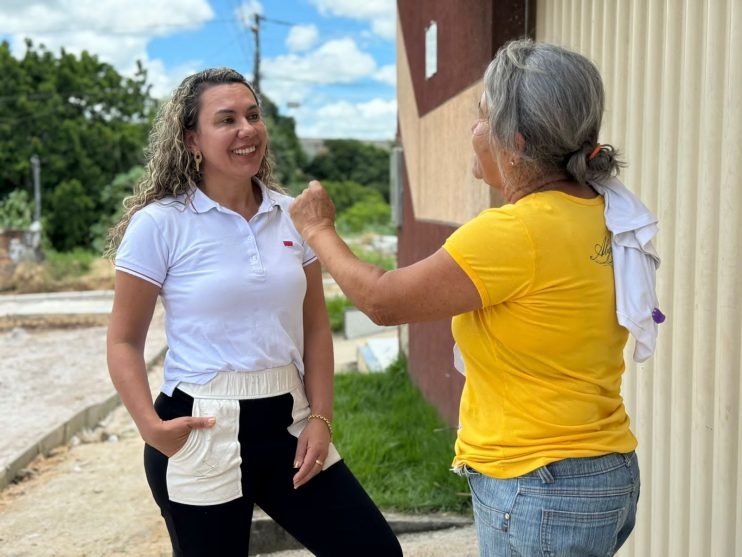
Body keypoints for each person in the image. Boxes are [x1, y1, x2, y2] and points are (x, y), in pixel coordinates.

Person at [290, 39, 659, 556]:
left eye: (482, 115)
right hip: (603, 472)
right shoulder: (601, 207)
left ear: (516, 140)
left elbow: (383, 301)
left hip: (540, 484)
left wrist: (318, 228)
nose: (473, 129)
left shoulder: (516, 232)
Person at [105, 67, 402, 557]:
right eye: (226, 120)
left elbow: (315, 330)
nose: (247, 129)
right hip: (200, 424)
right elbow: (123, 342)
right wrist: (151, 429)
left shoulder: (294, 214)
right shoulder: (160, 224)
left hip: (289, 418)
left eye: (253, 115)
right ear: (192, 139)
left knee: (374, 551)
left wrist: (321, 419)